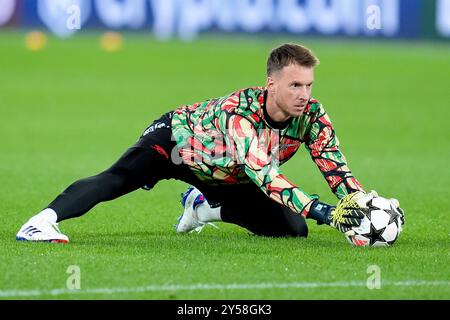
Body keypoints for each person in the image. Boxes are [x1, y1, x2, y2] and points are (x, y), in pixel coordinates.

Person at [17, 43, 377, 243]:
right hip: (177, 143)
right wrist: (326, 213)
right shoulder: (240, 114)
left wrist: (363, 202)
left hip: (226, 173)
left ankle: (201, 208)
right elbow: (266, 176)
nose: (304, 95)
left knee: (292, 230)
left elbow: (332, 162)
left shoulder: (312, 115)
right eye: (294, 86)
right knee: (118, 178)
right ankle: (41, 222)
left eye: (308, 85)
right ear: (271, 84)